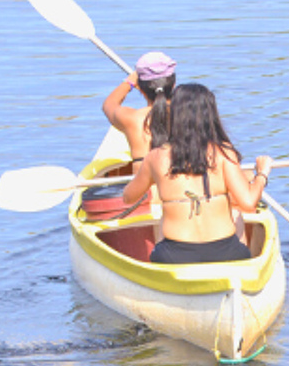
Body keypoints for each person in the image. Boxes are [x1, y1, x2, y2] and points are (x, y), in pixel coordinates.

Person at [116, 82, 271, 265]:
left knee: (164, 216)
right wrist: (262, 174)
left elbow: (128, 197)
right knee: (236, 214)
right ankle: (241, 270)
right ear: (210, 116)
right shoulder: (224, 153)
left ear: (174, 116)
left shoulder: (155, 157)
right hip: (225, 252)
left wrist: (155, 180)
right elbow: (248, 202)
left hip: (175, 256)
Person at [102, 51, 176, 161]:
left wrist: (129, 82)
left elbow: (108, 104)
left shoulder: (131, 119)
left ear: (141, 89)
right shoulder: (187, 115)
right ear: (173, 85)